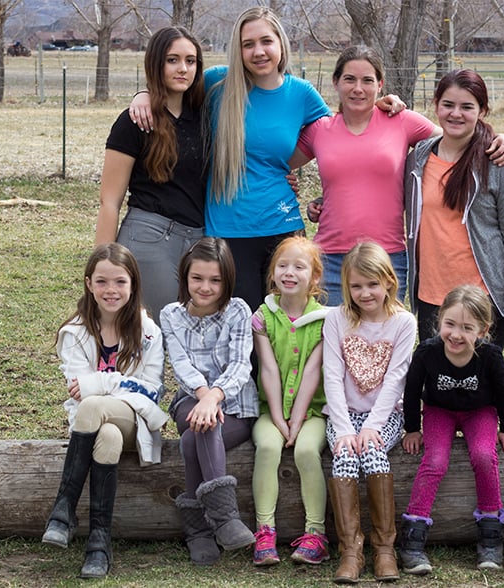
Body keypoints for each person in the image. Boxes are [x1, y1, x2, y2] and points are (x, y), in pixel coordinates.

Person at [129, 8, 404, 312]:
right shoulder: (217, 84)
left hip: (283, 227)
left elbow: (340, 134)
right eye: (248, 44)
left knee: (287, 326)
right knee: (243, 328)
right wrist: (143, 94)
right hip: (228, 229)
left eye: (266, 41)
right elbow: (173, 90)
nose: (258, 51)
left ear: (280, 44)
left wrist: (374, 108)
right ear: (239, 49)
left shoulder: (301, 93)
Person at [291, 46, 504, 306]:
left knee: (384, 342)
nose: (358, 88)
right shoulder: (320, 129)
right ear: (335, 82)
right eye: (349, 79)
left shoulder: (401, 121)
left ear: (380, 84)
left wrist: (497, 139)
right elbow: (277, 163)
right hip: (330, 258)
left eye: (368, 80)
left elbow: (457, 136)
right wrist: (300, 191)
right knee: (332, 342)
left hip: (387, 257)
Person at [42, 243, 168, 579]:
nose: (110, 290)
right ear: (88, 284)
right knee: (107, 435)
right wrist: (113, 383)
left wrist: (98, 382)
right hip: (93, 424)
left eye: (120, 282)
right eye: (102, 282)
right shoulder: (74, 333)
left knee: (96, 404)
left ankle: (63, 510)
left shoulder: (149, 332)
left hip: (135, 418)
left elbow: (150, 390)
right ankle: (99, 543)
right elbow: (77, 392)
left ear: (133, 284)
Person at [397, 285, 504, 574]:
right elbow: (412, 391)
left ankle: (490, 534)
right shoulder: (427, 352)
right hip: (440, 412)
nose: (456, 334)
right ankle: (413, 537)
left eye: (467, 328)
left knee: (483, 456)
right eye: (450, 324)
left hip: (480, 412)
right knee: (435, 460)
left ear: (483, 329)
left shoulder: (490, 356)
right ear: (439, 320)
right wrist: (413, 428)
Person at [404, 69, 504, 348]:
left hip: (482, 299)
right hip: (430, 298)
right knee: (438, 385)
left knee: (479, 387)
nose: (456, 114)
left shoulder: (496, 163)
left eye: (467, 107)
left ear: (482, 110)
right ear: (436, 105)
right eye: (448, 105)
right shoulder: (417, 160)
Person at [95, 27, 207, 324]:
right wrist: (103, 265)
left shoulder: (205, 116)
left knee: (193, 343)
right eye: (172, 60)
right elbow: (109, 201)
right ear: (156, 64)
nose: (183, 68)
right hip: (150, 237)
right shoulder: (134, 121)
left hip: (200, 240)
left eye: (191, 61)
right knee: (156, 339)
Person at [159, 237, 259, 565]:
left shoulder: (239, 311)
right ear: (185, 277)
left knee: (193, 440)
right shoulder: (171, 315)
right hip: (191, 399)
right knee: (201, 421)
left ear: (226, 280)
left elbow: (241, 363)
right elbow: (181, 364)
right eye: (197, 278)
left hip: (236, 405)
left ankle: (199, 531)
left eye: (215, 280)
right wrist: (204, 396)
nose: (205, 287)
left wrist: (216, 397)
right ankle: (227, 518)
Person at [321, 241, 417, 584]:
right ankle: (351, 549)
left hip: (385, 416)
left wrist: (372, 427)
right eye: (356, 286)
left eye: (372, 284)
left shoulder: (403, 323)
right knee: (345, 457)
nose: (365, 293)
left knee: (374, 454)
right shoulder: (336, 319)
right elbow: (331, 376)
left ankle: (384, 548)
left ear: (389, 281)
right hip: (344, 415)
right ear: (346, 286)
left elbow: (396, 379)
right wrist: (345, 429)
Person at [250, 236, 331, 566]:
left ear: (314, 277)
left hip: (312, 411)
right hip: (271, 409)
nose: (290, 272)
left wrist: (296, 421)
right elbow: (268, 369)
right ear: (273, 273)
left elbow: (313, 373)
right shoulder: (263, 316)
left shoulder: (325, 320)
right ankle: (264, 531)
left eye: (300, 267)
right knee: (268, 447)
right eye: (282, 265)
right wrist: (281, 421)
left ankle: (316, 533)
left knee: (306, 450)